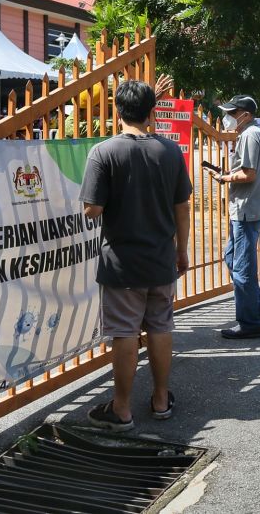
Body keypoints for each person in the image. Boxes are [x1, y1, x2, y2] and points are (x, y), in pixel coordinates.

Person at [80, 80, 192, 431]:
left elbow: (92, 209)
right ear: (152, 111)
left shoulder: (104, 152)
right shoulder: (170, 151)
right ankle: (160, 400)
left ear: (117, 110)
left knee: (125, 332)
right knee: (161, 326)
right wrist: (182, 250)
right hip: (161, 259)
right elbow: (183, 207)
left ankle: (122, 409)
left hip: (122, 264)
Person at [207, 95, 260, 339]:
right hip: (249, 206)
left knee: (242, 268)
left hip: (247, 208)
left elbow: (249, 174)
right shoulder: (256, 134)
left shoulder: (250, 135)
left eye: (232, 113)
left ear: (245, 114)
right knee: (232, 258)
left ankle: (249, 323)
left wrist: (224, 177)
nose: (228, 118)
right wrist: (228, 174)